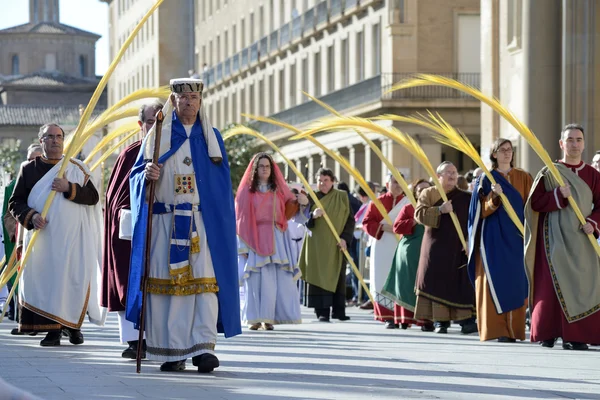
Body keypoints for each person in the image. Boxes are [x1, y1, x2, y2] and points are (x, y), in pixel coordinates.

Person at [126, 78, 240, 373]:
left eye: (194, 97)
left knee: (203, 286)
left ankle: (203, 348)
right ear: (173, 102)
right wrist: (146, 176)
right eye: (183, 97)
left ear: (201, 102)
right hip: (165, 223)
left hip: (201, 226)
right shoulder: (157, 137)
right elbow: (136, 179)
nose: (189, 102)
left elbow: (220, 186)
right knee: (168, 287)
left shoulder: (211, 137)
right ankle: (172, 350)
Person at [8, 123, 105, 346]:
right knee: (47, 283)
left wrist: (68, 187)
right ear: (41, 140)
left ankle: (73, 328)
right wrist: (31, 216)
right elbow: (15, 202)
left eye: (58, 136)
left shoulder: (77, 168)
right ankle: (52, 331)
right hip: (43, 240)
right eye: (49, 137)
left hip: (73, 239)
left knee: (72, 281)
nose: (54, 140)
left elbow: (93, 197)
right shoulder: (28, 169)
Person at [525, 123, 600, 350]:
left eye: (578, 140)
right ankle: (549, 333)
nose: (574, 144)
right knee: (551, 286)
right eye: (570, 140)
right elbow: (534, 204)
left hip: (581, 239)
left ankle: (576, 336)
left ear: (584, 144)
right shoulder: (549, 172)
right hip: (553, 240)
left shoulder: (593, 175)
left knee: (582, 286)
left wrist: (593, 222)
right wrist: (557, 195)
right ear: (561, 143)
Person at [101, 102, 162, 359]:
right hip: (134, 232)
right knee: (132, 280)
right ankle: (134, 340)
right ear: (141, 125)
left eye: (161, 122)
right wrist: (129, 211)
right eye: (150, 122)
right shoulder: (130, 155)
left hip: (165, 231)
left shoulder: (177, 152)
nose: (155, 128)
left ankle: (163, 338)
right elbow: (114, 199)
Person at [468, 139, 532, 342]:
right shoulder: (485, 179)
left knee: (517, 281)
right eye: (502, 150)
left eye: (510, 150)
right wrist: (494, 198)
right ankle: (498, 331)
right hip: (493, 239)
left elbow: (532, 206)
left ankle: (514, 330)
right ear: (494, 154)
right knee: (492, 281)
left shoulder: (523, 177)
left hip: (518, 237)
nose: (507, 153)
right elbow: (478, 212)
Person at [236, 153, 308, 330]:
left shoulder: (279, 190)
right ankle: (254, 318)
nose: (264, 169)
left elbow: (291, 209)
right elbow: (241, 219)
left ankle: (269, 318)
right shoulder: (247, 192)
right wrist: (242, 245)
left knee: (273, 278)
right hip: (254, 235)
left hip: (276, 236)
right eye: (261, 166)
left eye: (267, 166)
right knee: (254, 277)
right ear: (255, 169)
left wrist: (303, 202)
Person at [413, 161, 477, 334]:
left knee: (459, 282)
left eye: (455, 172)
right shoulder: (429, 193)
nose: (452, 175)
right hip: (435, 249)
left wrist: (469, 242)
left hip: (459, 248)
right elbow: (418, 215)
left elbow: (474, 222)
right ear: (438, 176)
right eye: (448, 172)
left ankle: (466, 321)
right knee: (437, 282)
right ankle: (440, 322)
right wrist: (440, 210)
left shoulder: (466, 197)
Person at [299, 168, 353, 322]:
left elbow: (350, 220)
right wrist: (312, 216)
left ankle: (338, 310)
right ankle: (322, 311)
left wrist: (345, 238)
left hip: (337, 243)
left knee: (338, 275)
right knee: (319, 275)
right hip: (317, 245)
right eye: (320, 181)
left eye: (326, 180)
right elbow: (301, 219)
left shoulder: (342, 196)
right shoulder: (312, 197)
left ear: (333, 181)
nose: (322, 184)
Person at [382, 179, 433, 330]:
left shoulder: (437, 207)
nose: (423, 192)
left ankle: (426, 320)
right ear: (415, 193)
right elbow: (397, 227)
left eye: (427, 189)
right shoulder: (409, 207)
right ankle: (405, 319)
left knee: (427, 286)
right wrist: (414, 221)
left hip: (429, 252)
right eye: (420, 190)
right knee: (407, 285)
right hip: (409, 252)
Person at [362, 173, 410, 328]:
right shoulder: (377, 202)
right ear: (388, 184)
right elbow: (367, 222)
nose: (397, 185)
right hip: (382, 244)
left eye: (400, 182)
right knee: (383, 277)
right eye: (394, 182)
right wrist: (383, 227)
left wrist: (400, 227)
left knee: (402, 279)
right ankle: (388, 316)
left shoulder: (409, 202)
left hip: (402, 244)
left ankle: (403, 317)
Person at [2, 144, 42, 323]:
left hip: (47, 238)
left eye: (37, 159)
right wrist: (17, 234)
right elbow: (7, 215)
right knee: (22, 279)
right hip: (21, 238)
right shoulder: (13, 185)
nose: (33, 163)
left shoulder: (52, 182)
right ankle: (23, 319)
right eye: (30, 159)